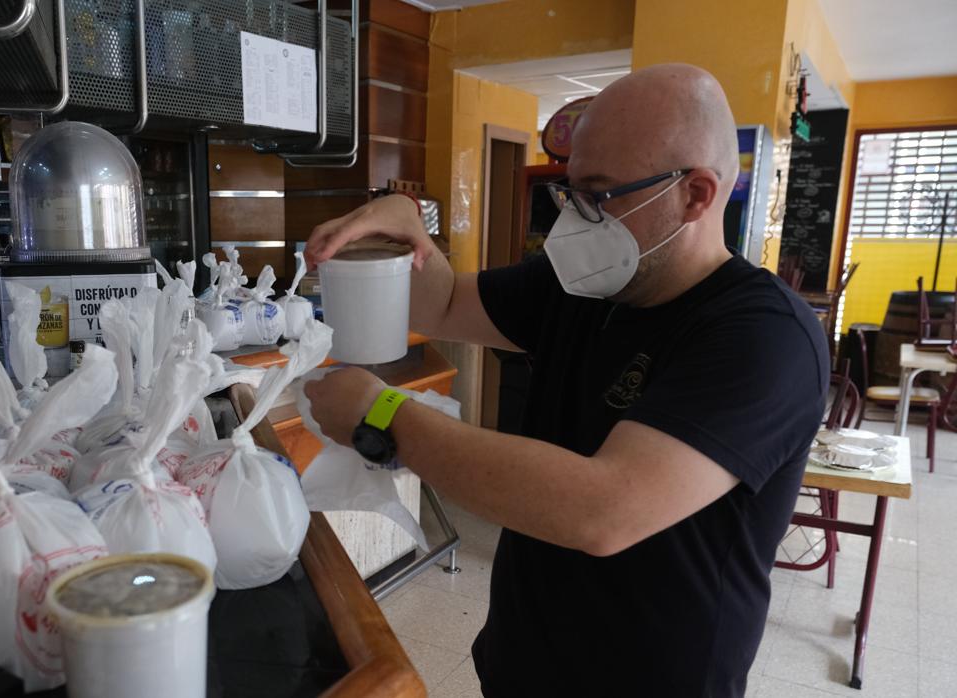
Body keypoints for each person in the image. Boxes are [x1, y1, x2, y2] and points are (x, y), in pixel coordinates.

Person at [301, 63, 828, 697]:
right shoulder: (583, 284)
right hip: (525, 663)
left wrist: (382, 415)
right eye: (569, 193)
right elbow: (440, 305)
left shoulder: (763, 335)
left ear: (696, 194)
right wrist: (407, 226)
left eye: (600, 196)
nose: (574, 223)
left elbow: (604, 509)